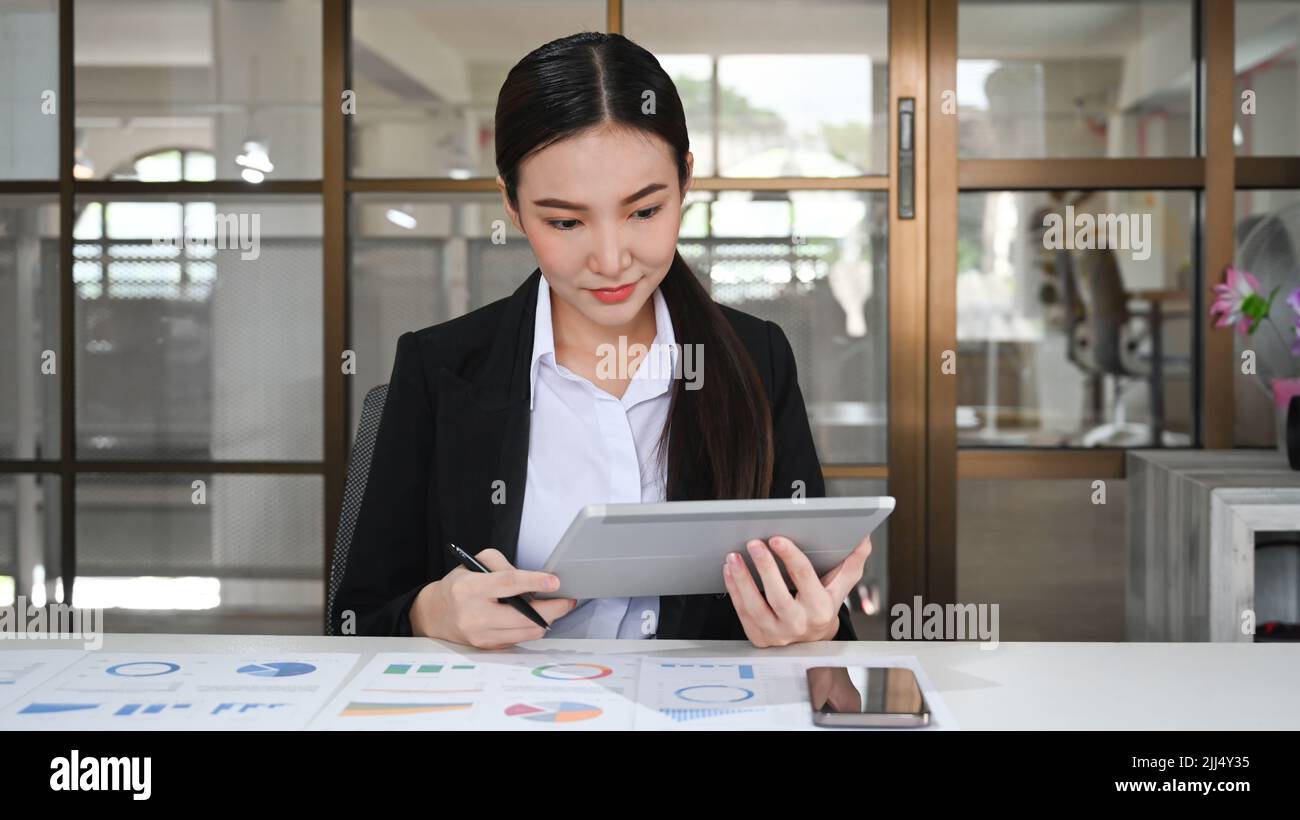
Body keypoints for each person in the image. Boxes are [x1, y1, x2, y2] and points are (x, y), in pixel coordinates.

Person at [335, 31, 873, 649]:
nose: (612, 260)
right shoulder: (439, 367)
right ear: (511, 204)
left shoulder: (757, 358)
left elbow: (820, 609)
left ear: (685, 182)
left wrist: (815, 624)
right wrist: (432, 611)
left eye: (645, 212)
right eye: (565, 221)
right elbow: (357, 618)